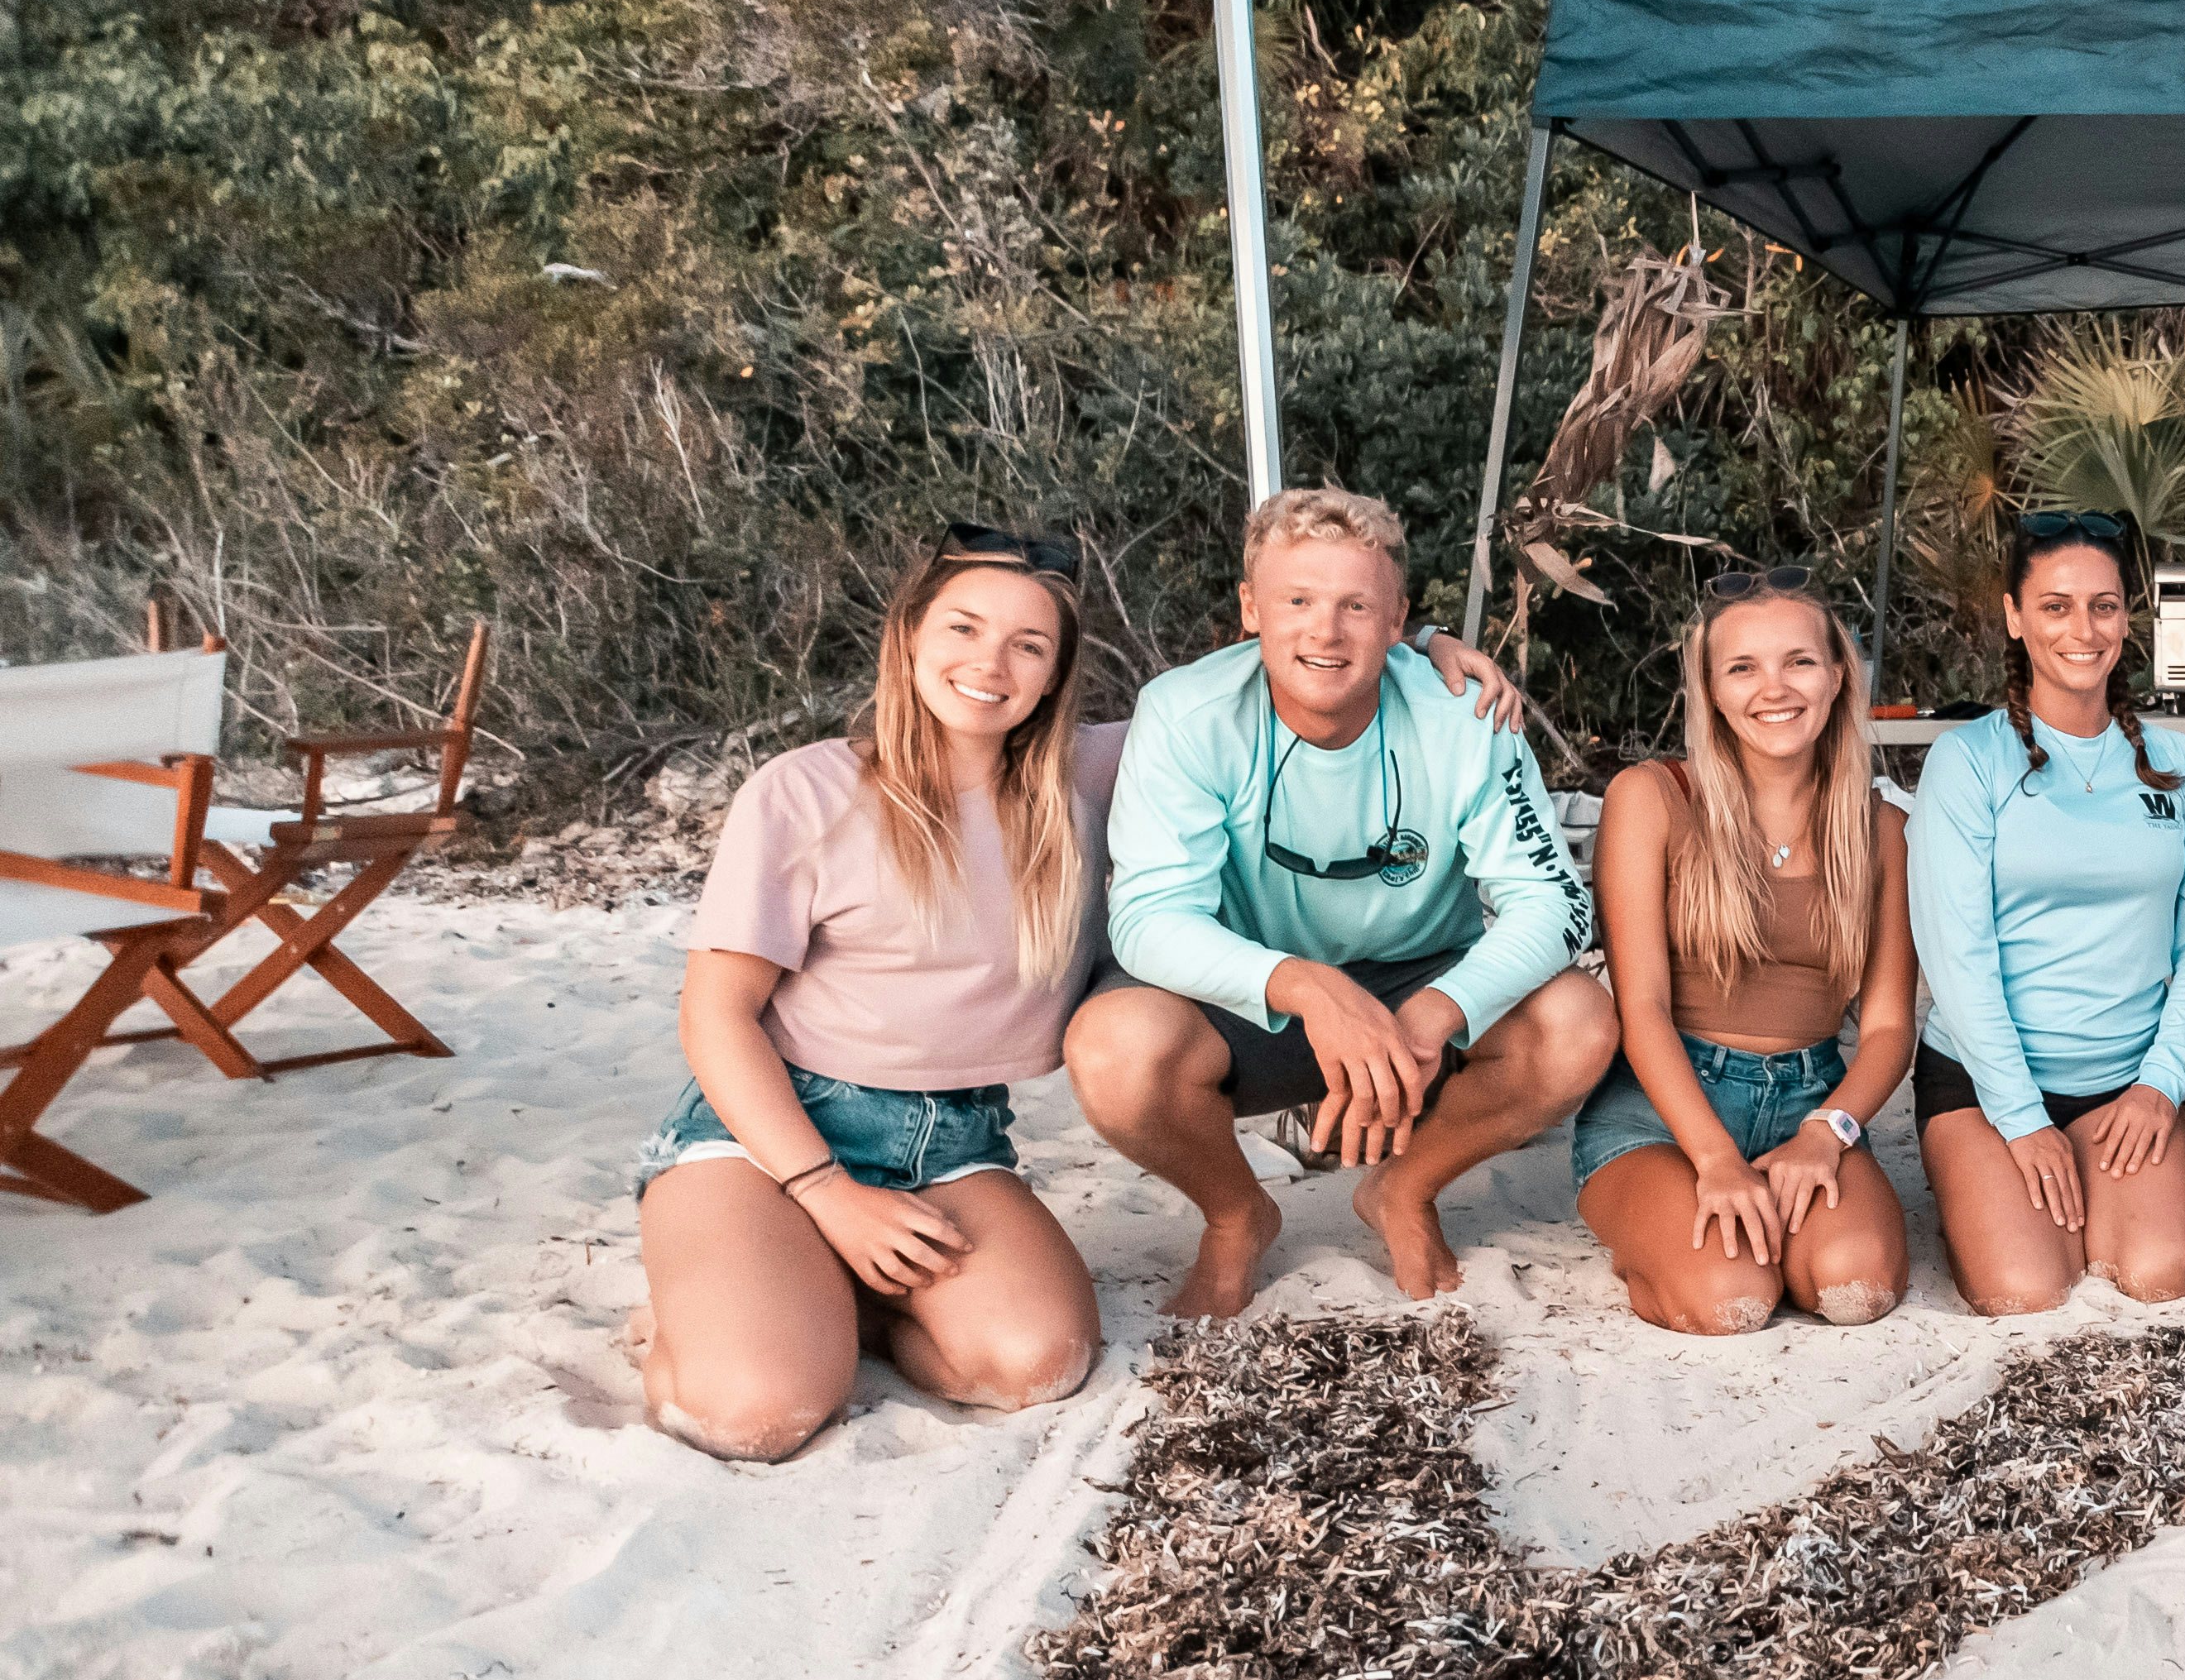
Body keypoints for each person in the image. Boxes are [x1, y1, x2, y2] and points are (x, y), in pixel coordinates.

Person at [1066, 486, 1613, 1317]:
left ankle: (1403, 1186)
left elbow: (1554, 903)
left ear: (1397, 621)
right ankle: (1236, 1213)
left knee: (1579, 1024)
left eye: (1356, 605)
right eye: (1298, 601)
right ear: (1251, 609)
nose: (1325, 631)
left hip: (1414, 992)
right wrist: (1310, 989)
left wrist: (1436, 1013)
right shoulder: (1184, 714)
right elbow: (1147, 919)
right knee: (1113, 1048)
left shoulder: (1469, 714)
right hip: (1251, 1000)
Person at [632, 530, 1115, 1462]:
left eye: (1029, 644)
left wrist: (1432, 653)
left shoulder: (1080, 780)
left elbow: (1275, 683)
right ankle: (721, 1292)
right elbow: (715, 1013)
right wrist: (827, 1194)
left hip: (953, 1139)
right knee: (754, 1413)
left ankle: (833, 1301)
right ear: (908, 637)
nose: (991, 662)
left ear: (1055, 676)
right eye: (964, 627)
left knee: (1033, 1364)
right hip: (772, 1134)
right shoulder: (807, 790)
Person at [1571, 570, 1919, 1333]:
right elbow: (1643, 1009)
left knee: (1854, 1291)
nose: (1775, 688)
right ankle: (1663, 1237)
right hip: (1666, 1110)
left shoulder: (1882, 831)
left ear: (1837, 678)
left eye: (1798, 661)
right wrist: (1717, 1159)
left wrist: (1828, 1134)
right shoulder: (1653, 796)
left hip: (1812, 1101)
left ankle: (1785, 1223)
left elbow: (1890, 1027)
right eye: (1743, 667)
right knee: (1733, 1300)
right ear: (1711, 691)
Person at [1905, 510, 2185, 1314]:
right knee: (2027, 1289)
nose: (2082, 629)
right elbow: (1958, 957)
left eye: (2104, 605)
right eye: (2055, 606)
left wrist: (2161, 1083)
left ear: (2127, 617)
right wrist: (2019, 1118)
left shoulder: (2178, 765)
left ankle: (2092, 1173)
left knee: (2158, 1275)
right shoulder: (1967, 762)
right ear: (2015, 618)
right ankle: (1977, 1200)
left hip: (2126, 1083)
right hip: (1985, 1087)